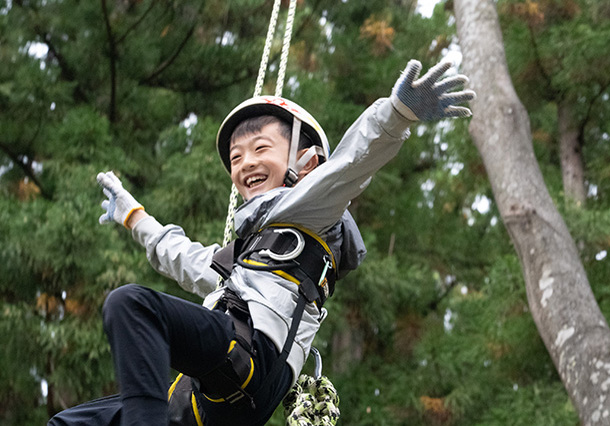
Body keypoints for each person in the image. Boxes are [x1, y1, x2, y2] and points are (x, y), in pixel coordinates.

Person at [48, 59, 475, 426]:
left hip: (250, 358)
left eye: (260, 148)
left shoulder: (308, 209)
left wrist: (397, 113)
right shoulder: (249, 255)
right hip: (211, 397)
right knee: (68, 422)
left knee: (132, 305)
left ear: (307, 162)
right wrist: (133, 216)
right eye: (236, 158)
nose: (245, 163)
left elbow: (351, 164)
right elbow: (184, 258)